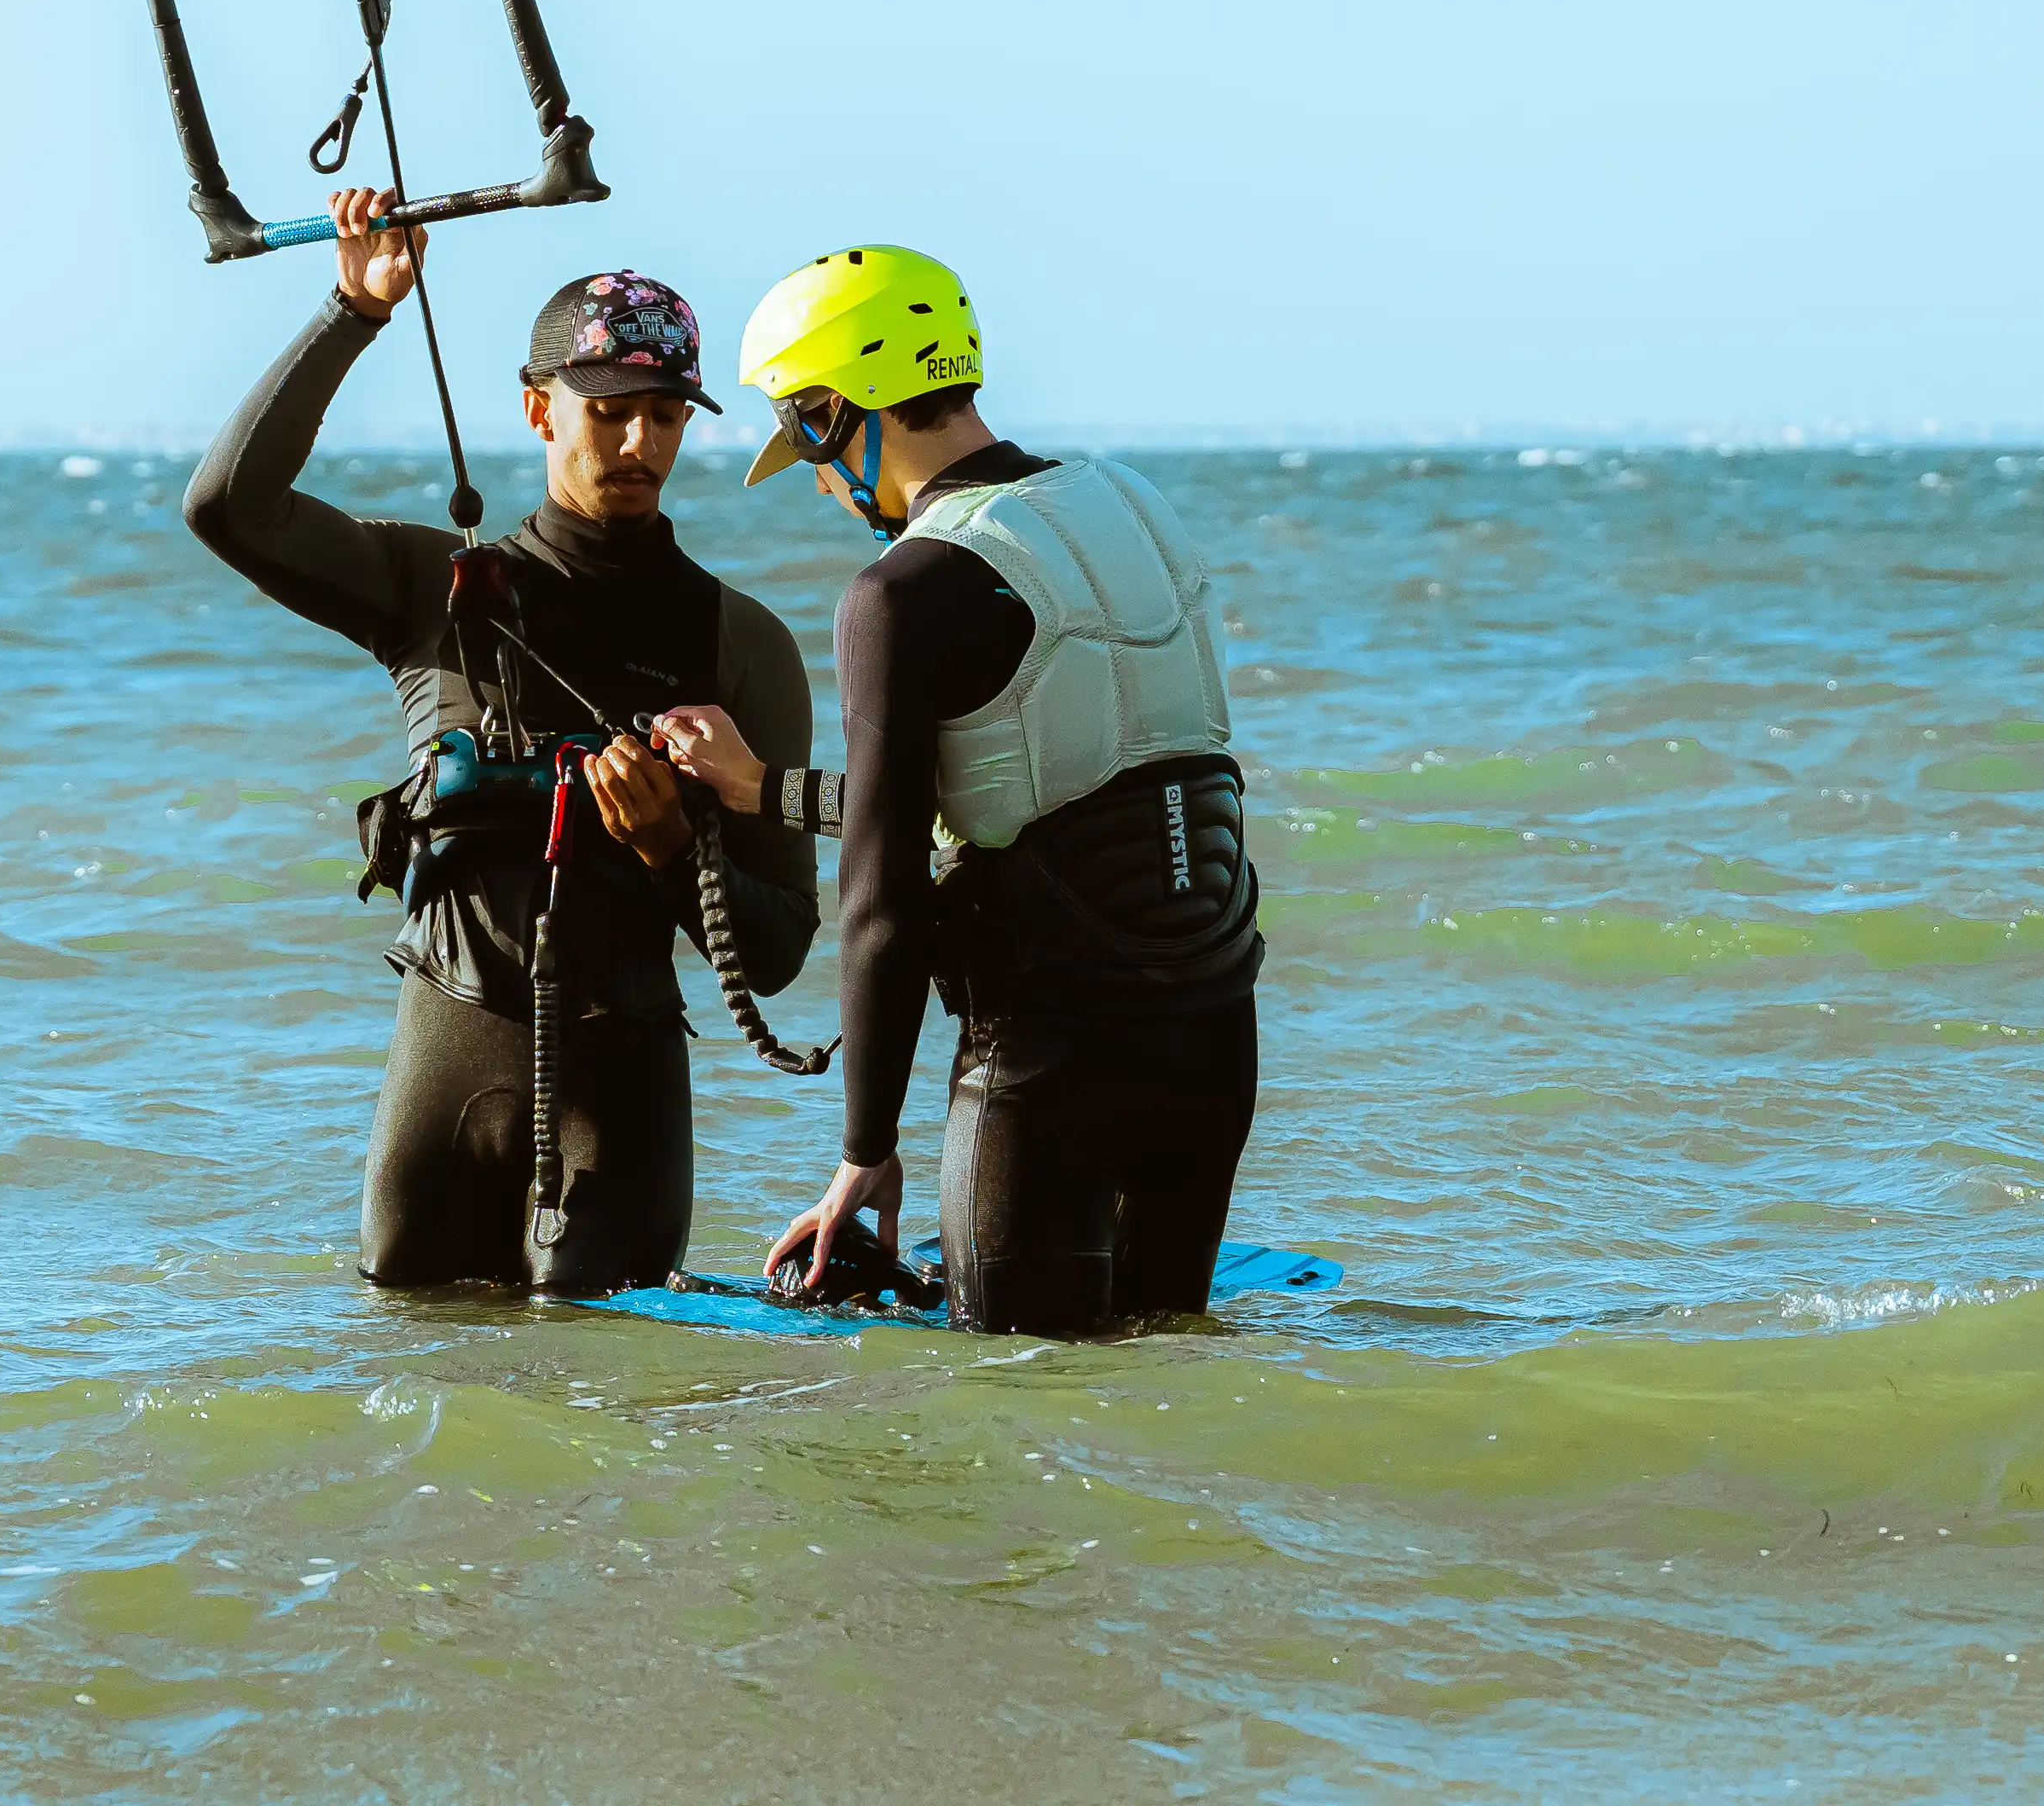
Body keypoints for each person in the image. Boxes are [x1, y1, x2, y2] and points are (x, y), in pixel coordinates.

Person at [181, 191, 820, 1295]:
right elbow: (228, 506)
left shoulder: (742, 647)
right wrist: (353, 308)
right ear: (539, 412)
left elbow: (777, 952)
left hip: (621, 1088)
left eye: (666, 414)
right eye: (609, 409)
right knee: (420, 1408)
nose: (639, 442)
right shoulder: (435, 589)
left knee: (599, 1412)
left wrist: (674, 848)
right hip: (447, 1057)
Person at [653, 245, 1260, 1335]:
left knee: (1011, 1406)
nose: (829, 488)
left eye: (806, 440)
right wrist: (762, 791)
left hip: (1049, 1066)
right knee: (1172, 1381)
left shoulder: (902, 589)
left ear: (838, 412)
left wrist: (863, 1155)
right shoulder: (1132, 507)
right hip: (1213, 1040)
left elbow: (883, 908)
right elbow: (1036, 783)